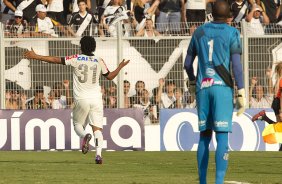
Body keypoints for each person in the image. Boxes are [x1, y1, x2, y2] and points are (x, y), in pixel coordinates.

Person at [23, 36, 129, 164]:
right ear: (94, 47)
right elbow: (110, 76)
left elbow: (56, 60)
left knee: (78, 125)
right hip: (96, 99)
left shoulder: (76, 58)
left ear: (81, 46)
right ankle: (98, 155)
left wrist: (37, 56)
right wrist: (120, 66)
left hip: (81, 98)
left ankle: (85, 136)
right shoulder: (99, 60)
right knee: (97, 129)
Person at [184, 1, 246, 183]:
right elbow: (236, 66)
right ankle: (219, 182)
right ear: (229, 17)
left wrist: (193, 80)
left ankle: (202, 181)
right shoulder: (233, 32)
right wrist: (241, 90)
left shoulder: (199, 31)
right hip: (222, 89)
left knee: (204, 136)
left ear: (211, 14)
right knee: (222, 137)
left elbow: (187, 64)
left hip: (203, 88)